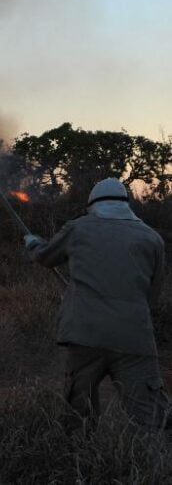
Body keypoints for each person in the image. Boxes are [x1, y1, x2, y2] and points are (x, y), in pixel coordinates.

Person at [25, 177, 168, 432]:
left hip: (85, 334)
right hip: (134, 337)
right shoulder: (152, 238)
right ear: (127, 204)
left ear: (93, 204)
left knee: (79, 412)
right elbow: (152, 296)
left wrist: (33, 243)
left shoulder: (78, 229)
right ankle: (157, 464)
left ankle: (82, 463)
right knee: (151, 415)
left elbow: (46, 257)